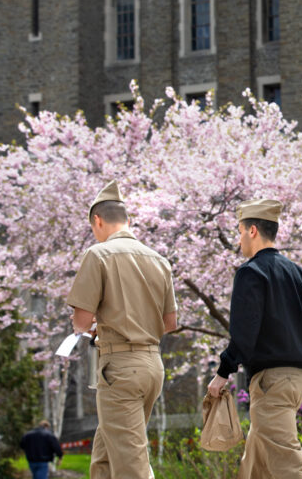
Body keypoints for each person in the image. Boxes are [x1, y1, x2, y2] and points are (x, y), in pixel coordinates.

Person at [207, 199, 302, 479]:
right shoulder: (301, 276)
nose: (238, 239)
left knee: (288, 464)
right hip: (294, 380)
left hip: (272, 381)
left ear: (253, 231)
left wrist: (223, 372)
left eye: (239, 231)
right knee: (256, 464)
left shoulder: (251, 272)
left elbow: (245, 332)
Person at [67, 180, 178, 479]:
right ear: (128, 221)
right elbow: (170, 324)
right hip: (152, 365)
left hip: (119, 368)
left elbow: (81, 321)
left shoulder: (98, 254)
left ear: (97, 221)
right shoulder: (160, 260)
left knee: (130, 461)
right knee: (105, 456)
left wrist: (98, 327)